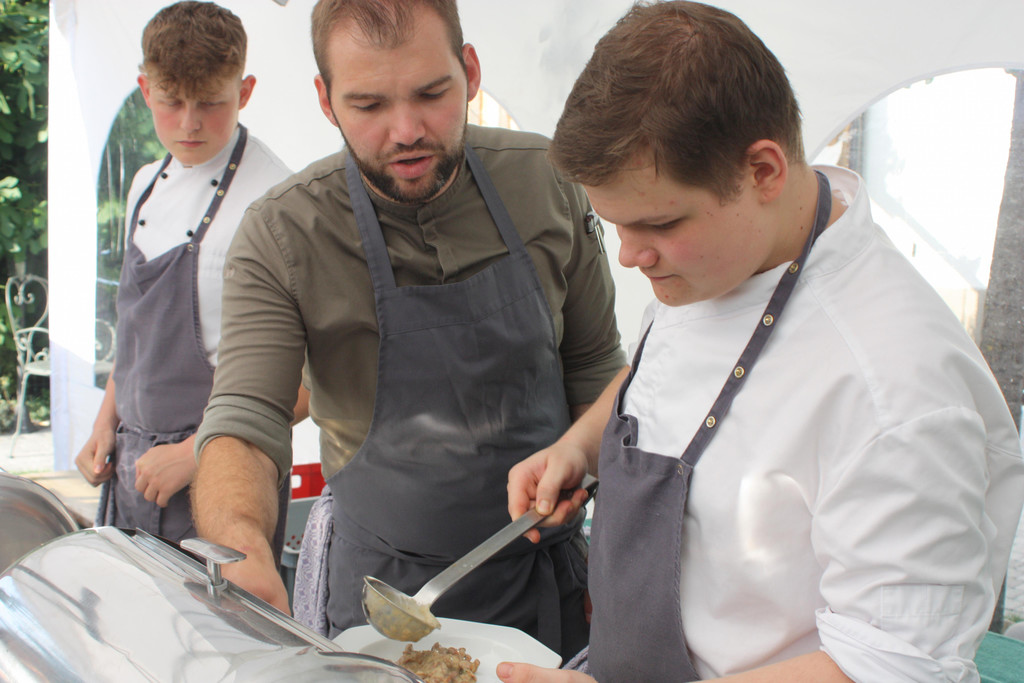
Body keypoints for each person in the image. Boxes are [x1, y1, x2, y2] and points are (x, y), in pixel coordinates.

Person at [501, 2, 1024, 682]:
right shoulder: (721, 258)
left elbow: (891, 665)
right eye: (616, 225)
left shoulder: (893, 386)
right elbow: (662, 370)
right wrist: (579, 446)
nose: (630, 256)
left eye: (658, 224)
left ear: (764, 171)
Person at [190, 0, 624, 659]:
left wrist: (617, 537)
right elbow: (247, 421)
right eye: (368, 105)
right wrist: (243, 545)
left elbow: (597, 369)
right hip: (381, 609)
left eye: (431, 93)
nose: (406, 131)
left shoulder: (547, 180)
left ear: (470, 70)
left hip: (553, 588)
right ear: (325, 100)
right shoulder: (283, 233)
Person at [75, 1, 293, 549]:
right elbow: (136, 335)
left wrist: (197, 452)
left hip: (226, 479)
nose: (190, 123)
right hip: (133, 468)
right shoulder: (144, 184)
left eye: (211, 103)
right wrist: (105, 423)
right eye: (171, 102)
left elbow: (315, 380)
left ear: (245, 92)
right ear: (145, 90)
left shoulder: (277, 204)